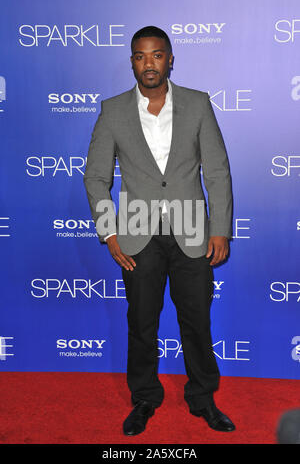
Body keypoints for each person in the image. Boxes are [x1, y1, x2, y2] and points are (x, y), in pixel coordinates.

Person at [83, 25, 235, 436]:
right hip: (135, 235)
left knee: (197, 323)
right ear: (132, 61)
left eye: (156, 55)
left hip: (193, 235)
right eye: (140, 56)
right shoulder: (112, 110)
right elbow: (96, 178)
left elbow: (217, 171)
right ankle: (145, 399)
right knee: (142, 323)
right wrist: (109, 232)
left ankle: (203, 399)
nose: (148, 63)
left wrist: (220, 228)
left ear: (170, 59)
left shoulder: (198, 104)